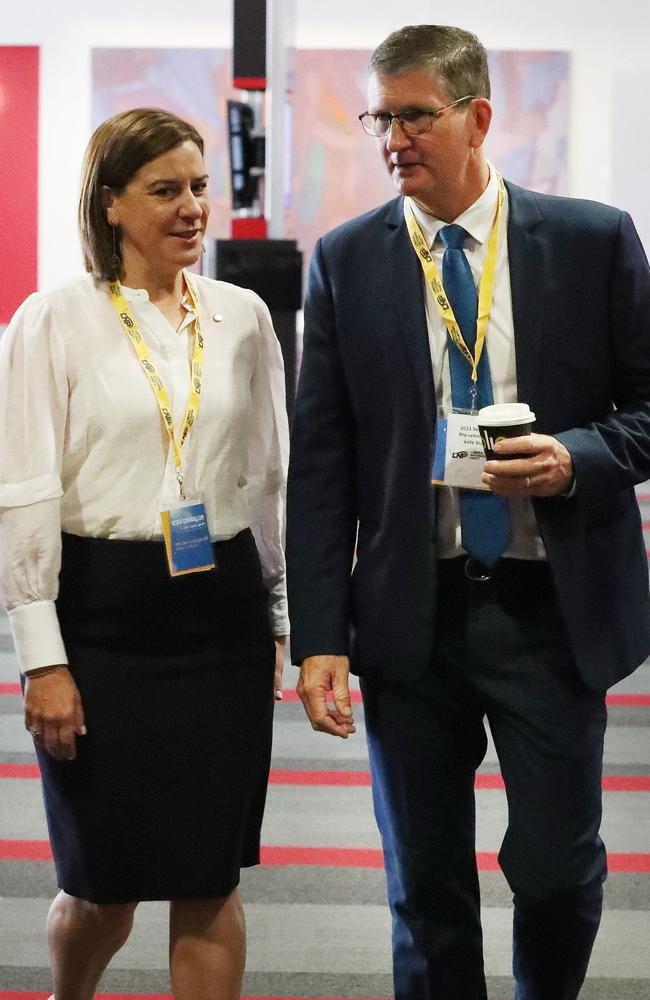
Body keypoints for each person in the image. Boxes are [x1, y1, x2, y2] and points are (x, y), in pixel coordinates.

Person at [286, 24, 650, 1000]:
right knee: (424, 886)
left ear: (475, 116)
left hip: (550, 608)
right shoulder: (346, 261)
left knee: (557, 872)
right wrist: (316, 634)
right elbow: (321, 469)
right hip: (410, 617)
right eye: (378, 118)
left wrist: (574, 459)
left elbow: (648, 410)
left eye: (414, 115)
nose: (391, 137)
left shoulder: (590, 240)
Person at [0, 107, 288, 1000]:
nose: (191, 207)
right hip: (101, 621)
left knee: (210, 877)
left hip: (221, 617)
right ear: (111, 204)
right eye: (165, 190)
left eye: (200, 186)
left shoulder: (242, 315)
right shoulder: (52, 321)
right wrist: (41, 658)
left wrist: (280, 613)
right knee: (104, 885)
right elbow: (22, 494)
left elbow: (267, 475)